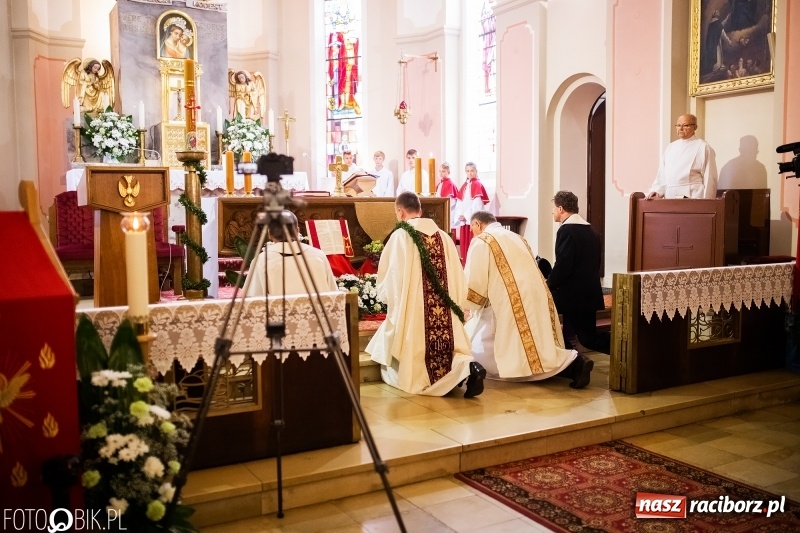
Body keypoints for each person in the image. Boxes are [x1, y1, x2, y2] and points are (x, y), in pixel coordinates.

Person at [366, 192, 485, 397]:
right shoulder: (444, 237)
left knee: (412, 354)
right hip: (445, 310)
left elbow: (392, 277)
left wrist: (394, 305)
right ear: (420, 210)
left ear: (400, 211)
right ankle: (468, 367)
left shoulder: (401, 236)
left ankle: (461, 371)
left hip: (415, 310)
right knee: (449, 346)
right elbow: (457, 276)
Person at [464, 211, 594, 388]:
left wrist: (468, 304)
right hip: (536, 293)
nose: (472, 232)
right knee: (536, 345)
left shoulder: (483, 240)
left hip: (510, 300)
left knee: (493, 350)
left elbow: (476, 280)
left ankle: (572, 366)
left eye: (472, 228)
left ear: (478, 224)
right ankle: (574, 363)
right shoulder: (518, 238)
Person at [547, 191, 609, 354]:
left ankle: (625, 350)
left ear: (561, 208)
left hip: (573, 296)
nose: (552, 212)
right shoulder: (591, 230)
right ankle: (571, 359)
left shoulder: (567, 231)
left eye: (553, 208)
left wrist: (548, 283)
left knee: (587, 338)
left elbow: (563, 266)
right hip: (588, 293)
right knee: (587, 337)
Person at [247, 212, 338, 296]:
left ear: (270, 233)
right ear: (297, 231)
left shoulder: (262, 260)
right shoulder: (319, 255)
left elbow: (253, 299)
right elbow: (333, 293)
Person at [646, 114, 718, 199]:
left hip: (693, 196)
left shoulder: (703, 147)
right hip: (670, 197)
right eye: (678, 125)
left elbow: (710, 177)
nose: (680, 128)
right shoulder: (670, 147)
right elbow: (662, 174)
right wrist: (656, 191)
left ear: (695, 127)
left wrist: (708, 202)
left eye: (685, 125)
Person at [455, 162, 490, 263]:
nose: (470, 173)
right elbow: (459, 202)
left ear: (476, 171)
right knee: (464, 247)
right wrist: (460, 215)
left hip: (472, 222)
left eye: (472, 171)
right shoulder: (465, 185)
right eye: (468, 171)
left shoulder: (477, 185)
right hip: (464, 222)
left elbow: (477, 205)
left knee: (472, 246)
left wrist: (466, 216)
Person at [436, 163, 460, 231]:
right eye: (439, 171)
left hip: (449, 212)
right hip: (441, 211)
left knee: (448, 230)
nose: (441, 173)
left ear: (448, 172)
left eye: (443, 171)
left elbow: (452, 202)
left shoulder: (450, 184)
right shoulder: (440, 184)